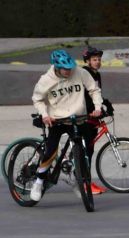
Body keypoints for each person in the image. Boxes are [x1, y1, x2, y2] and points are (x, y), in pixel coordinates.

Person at [28, 49, 104, 202]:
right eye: (65, 69)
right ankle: (39, 181)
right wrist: (45, 114)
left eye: (70, 68)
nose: (69, 72)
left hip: (78, 117)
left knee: (86, 148)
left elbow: (94, 90)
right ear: (56, 67)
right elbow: (37, 99)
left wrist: (97, 107)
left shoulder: (80, 72)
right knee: (51, 150)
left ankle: (77, 180)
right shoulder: (46, 80)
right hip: (57, 119)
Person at [80, 46, 109, 194]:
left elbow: (96, 93)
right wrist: (91, 110)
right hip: (85, 116)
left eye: (99, 59)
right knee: (86, 151)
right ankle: (84, 182)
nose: (97, 62)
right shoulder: (85, 73)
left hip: (93, 115)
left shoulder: (97, 74)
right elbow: (84, 96)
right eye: (94, 59)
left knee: (90, 150)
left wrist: (104, 105)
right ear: (87, 61)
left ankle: (87, 180)